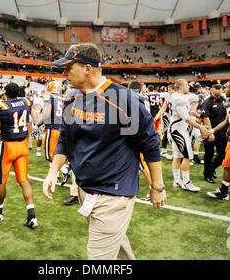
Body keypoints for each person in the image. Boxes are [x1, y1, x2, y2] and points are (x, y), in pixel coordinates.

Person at [43, 43, 166, 260]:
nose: (64, 74)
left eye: (68, 68)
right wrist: (53, 172)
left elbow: (149, 146)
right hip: (85, 188)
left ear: (87, 69)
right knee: (118, 250)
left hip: (112, 194)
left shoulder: (124, 100)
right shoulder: (73, 97)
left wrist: (157, 186)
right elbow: (65, 137)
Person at [0, 82, 38, 230]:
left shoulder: (1, 106)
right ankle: (32, 216)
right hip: (23, 145)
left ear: (5, 93)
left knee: (1, 180)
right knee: (23, 180)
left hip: (8, 146)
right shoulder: (26, 101)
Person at [169, 79, 211, 192]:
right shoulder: (179, 98)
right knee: (188, 156)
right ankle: (186, 182)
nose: (188, 87)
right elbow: (186, 119)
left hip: (177, 129)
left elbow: (190, 109)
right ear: (181, 86)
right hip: (179, 130)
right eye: (187, 85)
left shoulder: (180, 97)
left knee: (177, 156)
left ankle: (177, 180)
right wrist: (201, 127)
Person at [202, 80, 227, 183]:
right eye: (216, 88)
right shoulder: (207, 102)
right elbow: (206, 118)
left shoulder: (224, 100)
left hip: (222, 132)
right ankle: (207, 174)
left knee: (222, 154)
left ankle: (212, 169)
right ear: (211, 89)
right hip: (210, 131)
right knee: (209, 154)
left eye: (220, 88)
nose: (219, 89)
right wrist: (210, 133)